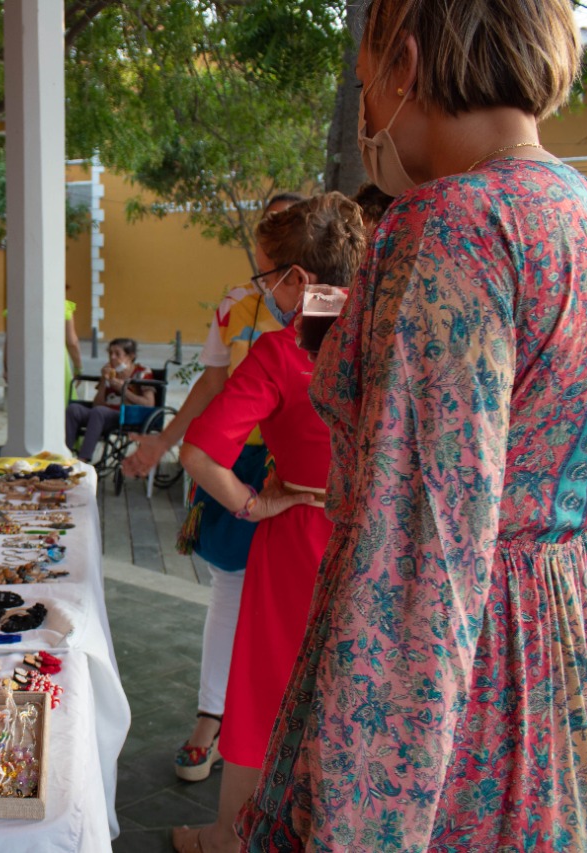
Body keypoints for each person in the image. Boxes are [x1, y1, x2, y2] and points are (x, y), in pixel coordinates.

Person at [241, 3, 587, 850]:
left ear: (404, 63)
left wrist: (358, 817)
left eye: (365, 86)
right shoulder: (580, 208)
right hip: (556, 638)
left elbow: (420, 546)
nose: (367, 115)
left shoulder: (454, 229)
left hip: (458, 673)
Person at [170, 193, 366, 853]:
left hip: (298, 539)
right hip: (375, 542)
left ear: (302, 280)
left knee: (264, 689)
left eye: (268, 275)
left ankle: (230, 834)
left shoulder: (282, 353)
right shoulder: (390, 338)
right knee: (355, 693)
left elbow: (198, 452)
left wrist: (253, 504)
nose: (265, 290)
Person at [121, 192, 303, 785]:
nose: (262, 260)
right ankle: (212, 719)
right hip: (240, 466)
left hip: (304, 477)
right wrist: (162, 442)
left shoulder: (341, 313)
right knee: (230, 591)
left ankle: (282, 731)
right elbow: (212, 384)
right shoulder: (239, 305)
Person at [64, 338, 155, 464]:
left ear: (130, 356)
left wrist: (123, 389)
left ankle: (83, 460)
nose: (112, 357)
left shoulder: (142, 372)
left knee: (99, 412)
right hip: (103, 413)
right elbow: (97, 404)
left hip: (127, 415)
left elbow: (149, 403)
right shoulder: (111, 372)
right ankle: (64, 454)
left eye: (117, 354)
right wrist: (103, 381)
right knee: (74, 409)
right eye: (110, 353)